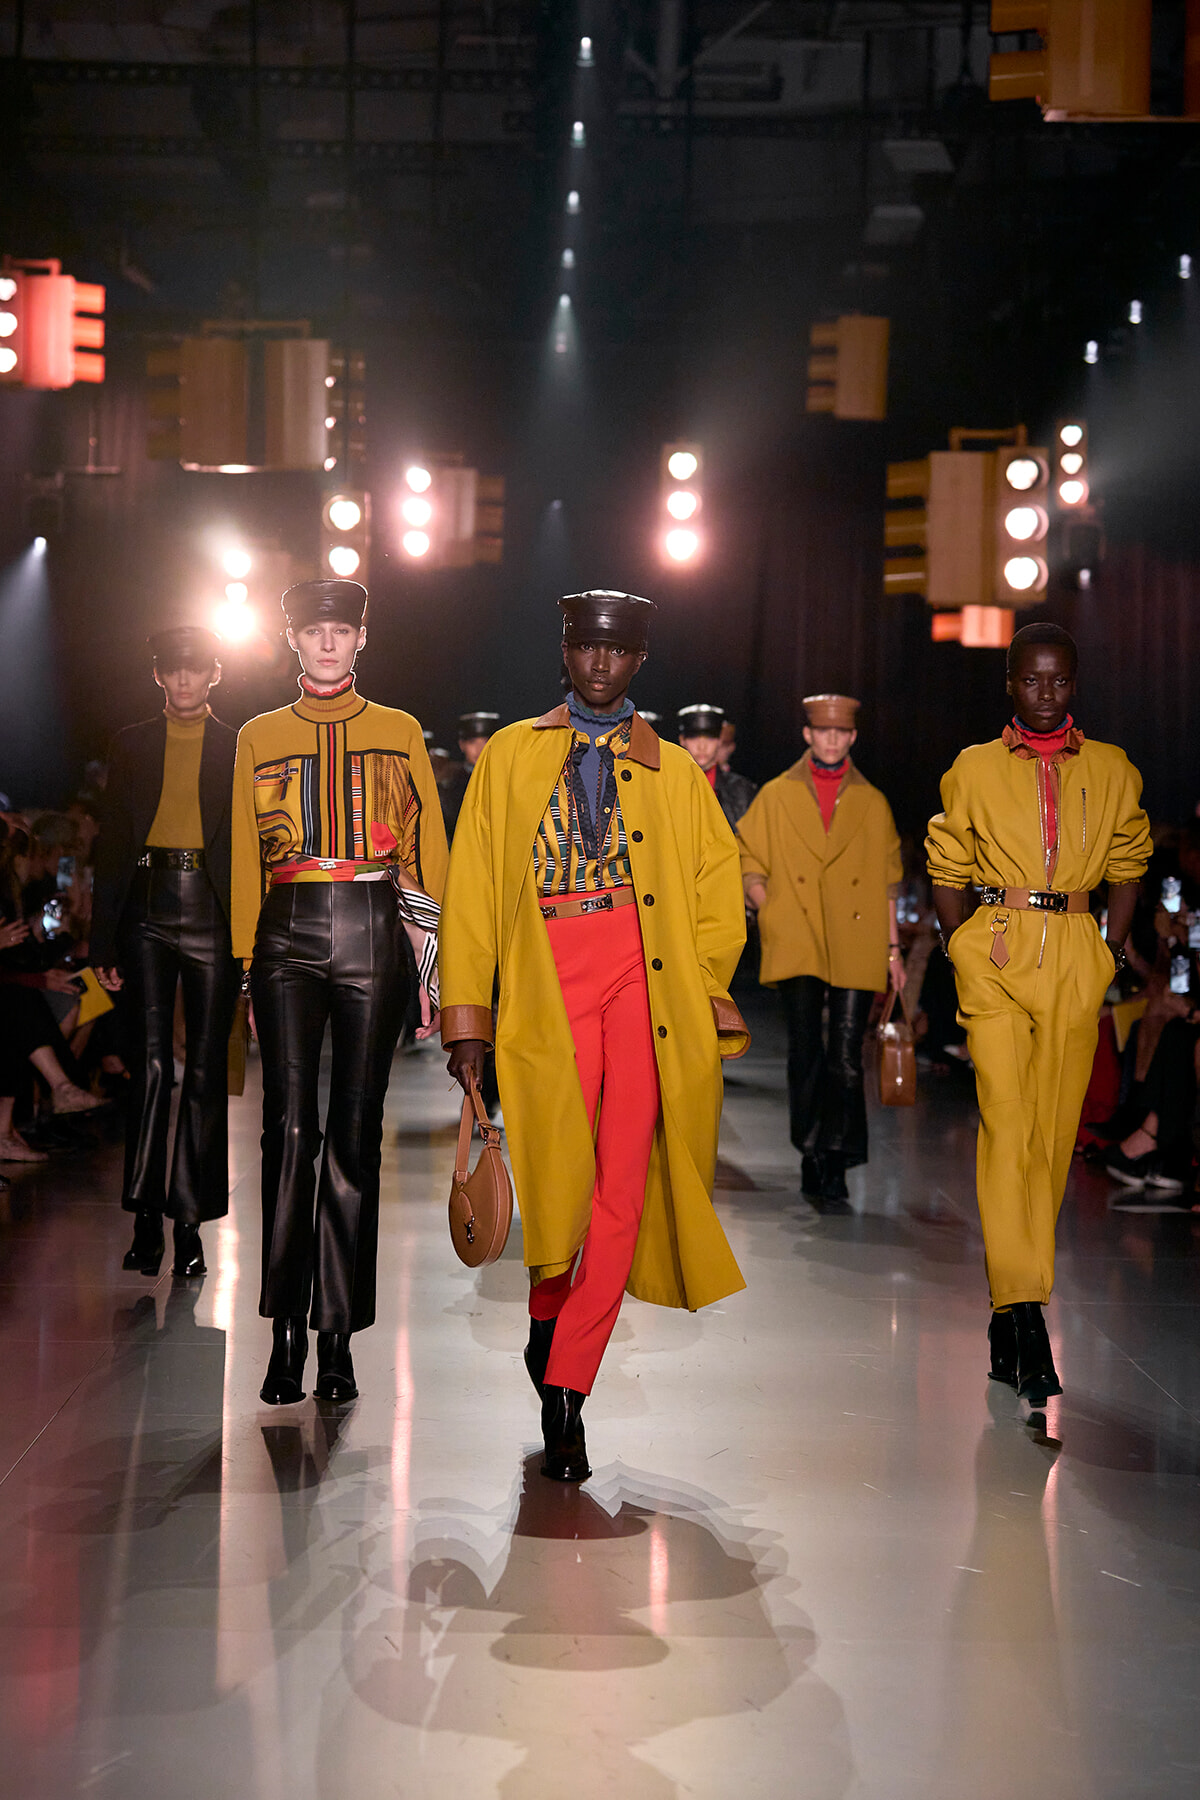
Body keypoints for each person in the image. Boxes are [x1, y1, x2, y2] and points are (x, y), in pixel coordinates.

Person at [440, 589, 749, 1483]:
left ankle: (569, 1386)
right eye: (588, 648)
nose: (602, 665)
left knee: (625, 1183)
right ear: (566, 649)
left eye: (619, 652)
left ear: (640, 661)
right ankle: (548, 1319)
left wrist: (702, 989)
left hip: (641, 977)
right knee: (560, 1183)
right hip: (543, 974)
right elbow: (470, 890)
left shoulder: (674, 773)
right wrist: (469, 1016)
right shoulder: (509, 756)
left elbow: (714, 889)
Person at [231, 579, 447, 1407]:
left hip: (373, 922)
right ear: (293, 640)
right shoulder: (258, 735)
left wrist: (432, 969)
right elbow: (248, 859)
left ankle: (338, 1336)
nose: (327, 643)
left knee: (357, 1132)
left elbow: (426, 848)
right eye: (313, 631)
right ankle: (285, 1330)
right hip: (286, 926)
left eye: (341, 630)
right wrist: (251, 968)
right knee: (288, 1128)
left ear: (363, 638)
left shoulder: (400, 731)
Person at [926, 622, 1152, 1402]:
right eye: (1031, 680)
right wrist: (961, 941)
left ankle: (1008, 1307)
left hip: (1075, 958)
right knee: (1007, 1123)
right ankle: (1025, 1314)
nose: (1045, 693)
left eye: (1058, 680)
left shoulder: (1114, 770)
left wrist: (1111, 953)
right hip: (996, 951)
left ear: (1074, 683)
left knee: (1052, 1141)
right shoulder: (975, 768)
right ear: (1011, 684)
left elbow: (1130, 864)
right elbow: (946, 861)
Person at [92, 625, 238, 1278]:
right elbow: (112, 845)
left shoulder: (239, 747)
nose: (183, 681)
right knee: (151, 1067)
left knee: (206, 1069)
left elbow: (249, 848)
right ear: (158, 676)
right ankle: (146, 1217)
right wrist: (100, 940)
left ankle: (190, 1221)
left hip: (210, 907)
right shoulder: (131, 746)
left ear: (213, 674)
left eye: (195, 670)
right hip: (147, 907)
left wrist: (251, 937)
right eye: (172, 671)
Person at [736, 693, 905, 1211]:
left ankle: (837, 1155)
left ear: (852, 737)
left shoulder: (872, 802)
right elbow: (747, 857)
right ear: (808, 734)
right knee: (807, 1051)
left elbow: (888, 881)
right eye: (823, 731)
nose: (832, 739)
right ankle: (811, 1151)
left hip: (857, 937)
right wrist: (771, 909)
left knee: (847, 1053)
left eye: (841, 733)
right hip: (799, 933)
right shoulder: (777, 794)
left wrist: (893, 950)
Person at [677, 703, 757, 832]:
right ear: (682, 740)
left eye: (709, 738)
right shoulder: (668, 785)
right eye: (694, 737)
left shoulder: (742, 790)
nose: (702, 746)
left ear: (719, 740)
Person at [440, 710, 501, 839]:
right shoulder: (449, 785)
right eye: (472, 742)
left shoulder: (506, 779)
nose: (479, 748)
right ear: (462, 745)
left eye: (485, 741)